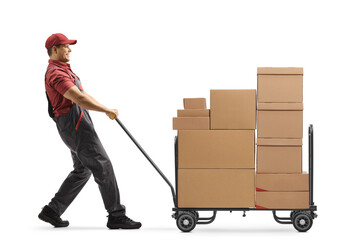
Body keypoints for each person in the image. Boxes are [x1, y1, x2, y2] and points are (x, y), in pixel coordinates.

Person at [39, 33, 141, 230]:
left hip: (76, 122)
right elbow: (79, 99)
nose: (69, 49)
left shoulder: (65, 70)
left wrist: (104, 108)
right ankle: (116, 215)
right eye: (65, 46)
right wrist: (106, 110)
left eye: (70, 46)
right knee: (103, 165)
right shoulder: (56, 74)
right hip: (74, 125)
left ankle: (52, 210)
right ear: (54, 50)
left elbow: (83, 95)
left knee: (82, 169)